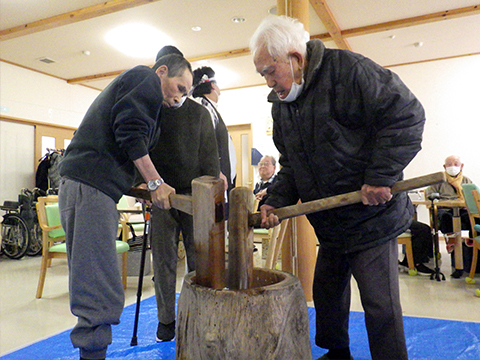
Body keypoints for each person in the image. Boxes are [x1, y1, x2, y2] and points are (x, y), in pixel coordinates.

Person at [250, 15, 425, 360]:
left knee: (379, 303)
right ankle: (337, 353)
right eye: (263, 75)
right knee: (327, 295)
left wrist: (380, 176)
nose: (268, 82)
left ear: (295, 59)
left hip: (371, 217)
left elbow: (407, 115)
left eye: (270, 71)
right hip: (330, 220)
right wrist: (276, 200)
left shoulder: (350, 71)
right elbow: (290, 163)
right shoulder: (283, 106)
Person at [58, 52, 193, 360]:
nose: (180, 98)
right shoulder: (143, 78)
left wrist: (143, 180)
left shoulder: (148, 100)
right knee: (97, 285)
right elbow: (129, 133)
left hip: (88, 186)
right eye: (180, 87)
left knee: (93, 280)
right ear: (161, 72)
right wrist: (156, 182)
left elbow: (126, 139)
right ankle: (92, 355)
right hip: (90, 187)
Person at [146, 46, 220, 343]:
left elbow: (211, 162)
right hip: (161, 197)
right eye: (177, 89)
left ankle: (198, 314)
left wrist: (209, 194)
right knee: (162, 262)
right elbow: (141, 153)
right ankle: (166, 320)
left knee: (198, 259)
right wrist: (146, 186)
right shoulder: (150, 110)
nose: (177, 96)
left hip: (194, 198)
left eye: (183, 91)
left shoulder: (199, 114)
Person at [191, 66, 236, 205]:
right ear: (212, 85)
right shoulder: (203, 107)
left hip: (221, 178)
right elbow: (205, 143)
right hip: (213, 180)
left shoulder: (208, 107)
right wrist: (216, 172)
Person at [425, 155, 473, 278]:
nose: (453, 167)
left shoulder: (466, 181)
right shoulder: (439, 181)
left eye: (456, 164)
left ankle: (472, 247)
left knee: (474, 219)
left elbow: (473, 197)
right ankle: (453, 246)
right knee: (445, 217)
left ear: (461, 166)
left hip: (462, 210)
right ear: (444, 167)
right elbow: (429, 195)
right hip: (445, 210)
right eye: (450, 164)